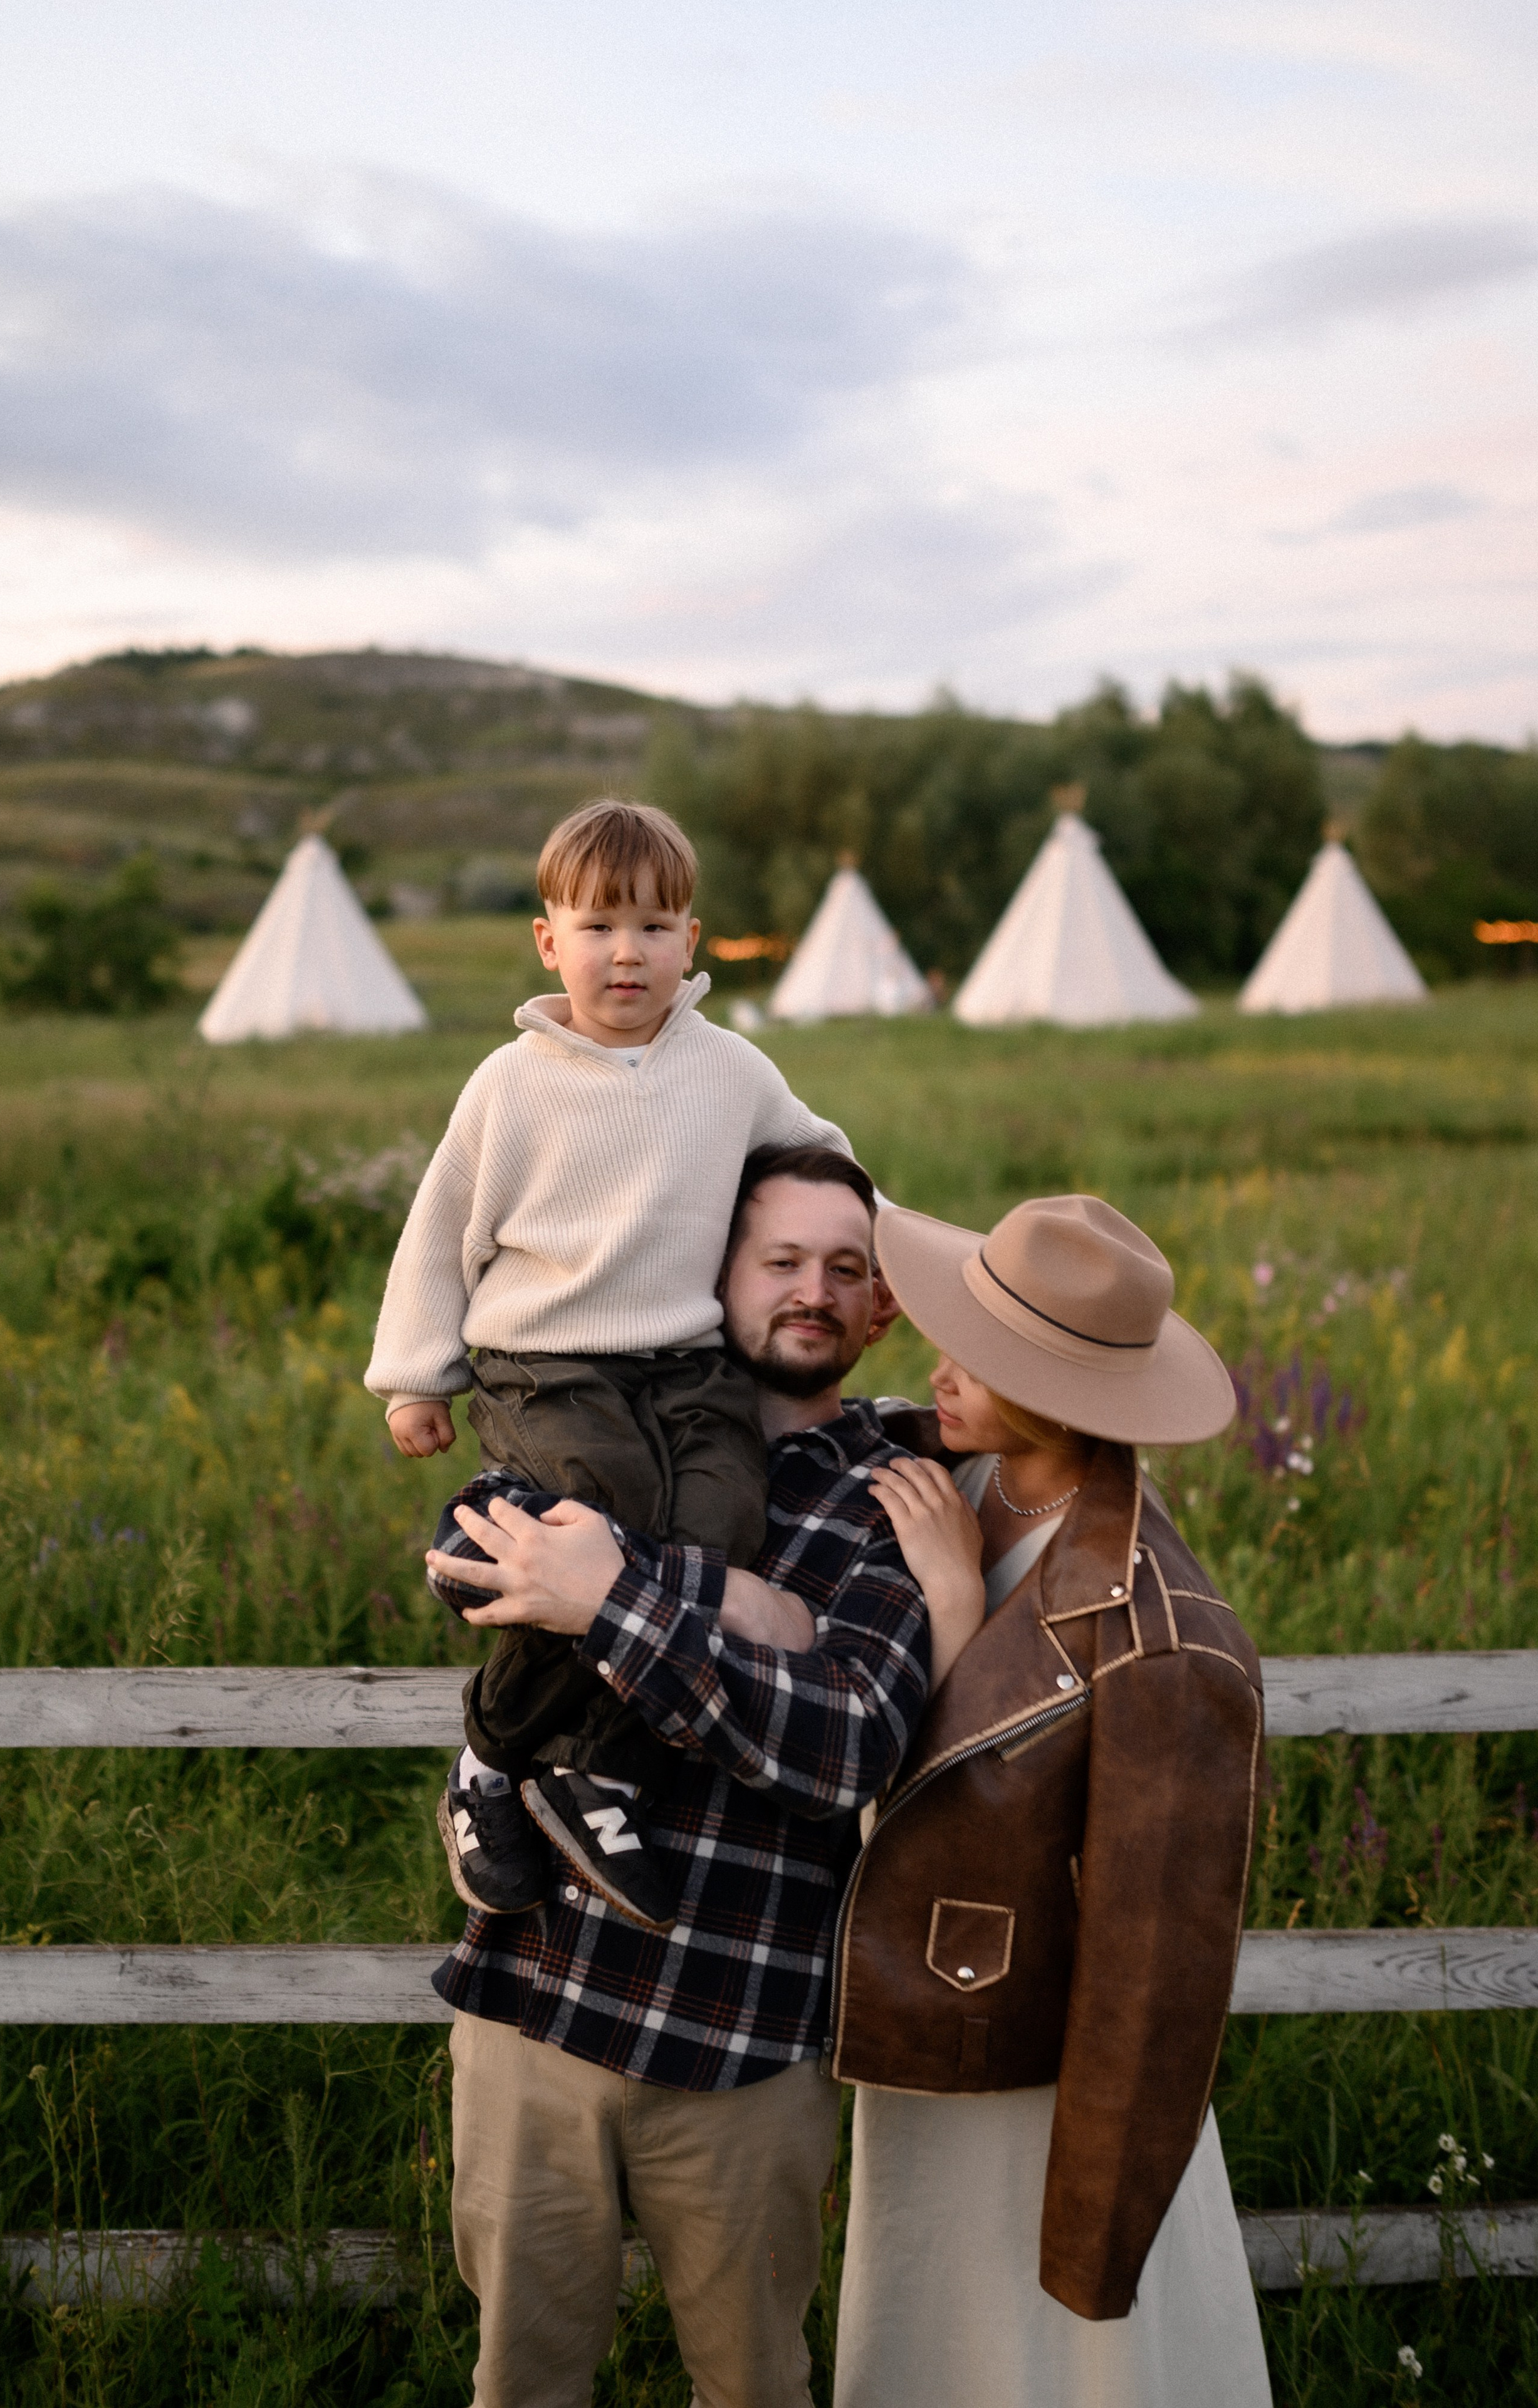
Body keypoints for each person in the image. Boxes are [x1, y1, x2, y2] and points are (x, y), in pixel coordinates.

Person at [421, 1145, 929, 2408]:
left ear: (881, 1306)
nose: (811, 1290)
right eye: (780, 1260)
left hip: (744, 2032)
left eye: (844, 1269)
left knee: (753, 2385)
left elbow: (846, 1737)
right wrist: (733, 1602)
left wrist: (610, 1591)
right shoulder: (597, 1412)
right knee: (520, 2380)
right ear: (710, 1273)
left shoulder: (894, 1496)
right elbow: (470, 1558)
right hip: (538, 1999)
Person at [364, 799, 849, 1931]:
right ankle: (491, 1762)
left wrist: (889, 1252)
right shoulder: (511, 1083)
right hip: (547, 1362)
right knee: (605, 1513)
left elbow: (820, 1155)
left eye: (653, 926)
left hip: (685, 1364)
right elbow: (442, 1229)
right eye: (597, 927)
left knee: (722, 1530)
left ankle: (587, 1768)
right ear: (549, 940)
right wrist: (413, 1377)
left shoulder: (729, 1069)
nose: (625, 952)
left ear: (695, 942)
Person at [831, 1192, 1273, 2408]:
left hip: (1037, 2082)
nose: (938, 1360)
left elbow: (1153, 1973)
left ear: (1062, 1389)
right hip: (933, 2038)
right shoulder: (933, 1470)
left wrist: (955, 1615)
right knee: (928, 2332)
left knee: (1062, 2362)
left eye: (983, 1351)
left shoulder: (1163, 1638)